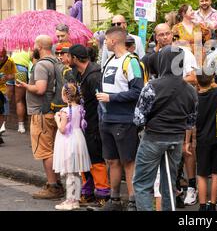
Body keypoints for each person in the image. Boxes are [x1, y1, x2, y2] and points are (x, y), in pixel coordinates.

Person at [133, 45, 198, 211]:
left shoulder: (152, 86)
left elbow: (138, 118)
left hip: (153, 138)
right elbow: (191, 121)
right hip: (176, 139)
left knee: (142, 183)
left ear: (162, 62)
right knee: (169, 183)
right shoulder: (190, 90)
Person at [96, 27, 144, 211]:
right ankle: (114, 199)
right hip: (107, 119)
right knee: (112, 160)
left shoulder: (131, 62)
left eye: (106, 40)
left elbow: (138, 91)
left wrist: (111, 98)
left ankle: (133, 202)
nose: (105, 43)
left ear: (114, 41)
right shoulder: (109, 59)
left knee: (128, 161)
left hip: (124, 120)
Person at [16, 35, 65, 199]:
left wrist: (24, 85)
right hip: (54, 111)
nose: (32, 49)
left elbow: (40, 88)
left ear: (40, 47)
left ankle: (53, 186)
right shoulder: (56, 61)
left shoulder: (41, 65)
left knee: (46, 151)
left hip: (41, 112)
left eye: (34, 46)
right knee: (54, 150)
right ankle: (57, 184)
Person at [68, 44, 111, 208]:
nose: (66, 59)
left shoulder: (94, 76)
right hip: (82, 126)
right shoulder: (78, 74)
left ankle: (103, 194)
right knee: (83, 160)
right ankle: (87, 192)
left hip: (94, 126)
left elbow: (102, 103)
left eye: (69, 56)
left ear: (75, 58)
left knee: (95, 160)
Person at [53, 83, 91, 210]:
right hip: (78, 139)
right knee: (76, 173)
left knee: (70, 172)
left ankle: (70, 200)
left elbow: (63, 129)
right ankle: (76, 200)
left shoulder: (64, 111)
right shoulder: (80, 108)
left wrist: (57, 119)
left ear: (65, 96)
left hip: (68, 142)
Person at [191, 71, 217, 211]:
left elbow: (191, 123)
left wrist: (191, 140)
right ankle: (212, 205)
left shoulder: (195, 98)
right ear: (212, 79)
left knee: (202, 173)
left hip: (201, 139)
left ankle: (202, 205)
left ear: (197, 82)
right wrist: (211, 81)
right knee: (216, 173)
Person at [10, 50, 32, 133]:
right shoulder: (31, 46)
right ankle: (21, 126)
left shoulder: (15, 44)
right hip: (21, 69)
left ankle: (2, 124)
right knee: (19, 100)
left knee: (5, 98)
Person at [0, 48, 17, 133]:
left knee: (3, 111)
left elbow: (14, 75)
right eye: (0, 56)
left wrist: (7, 77)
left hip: (3, 89)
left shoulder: (10, 61)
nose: (1, 58)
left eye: (3, 56)